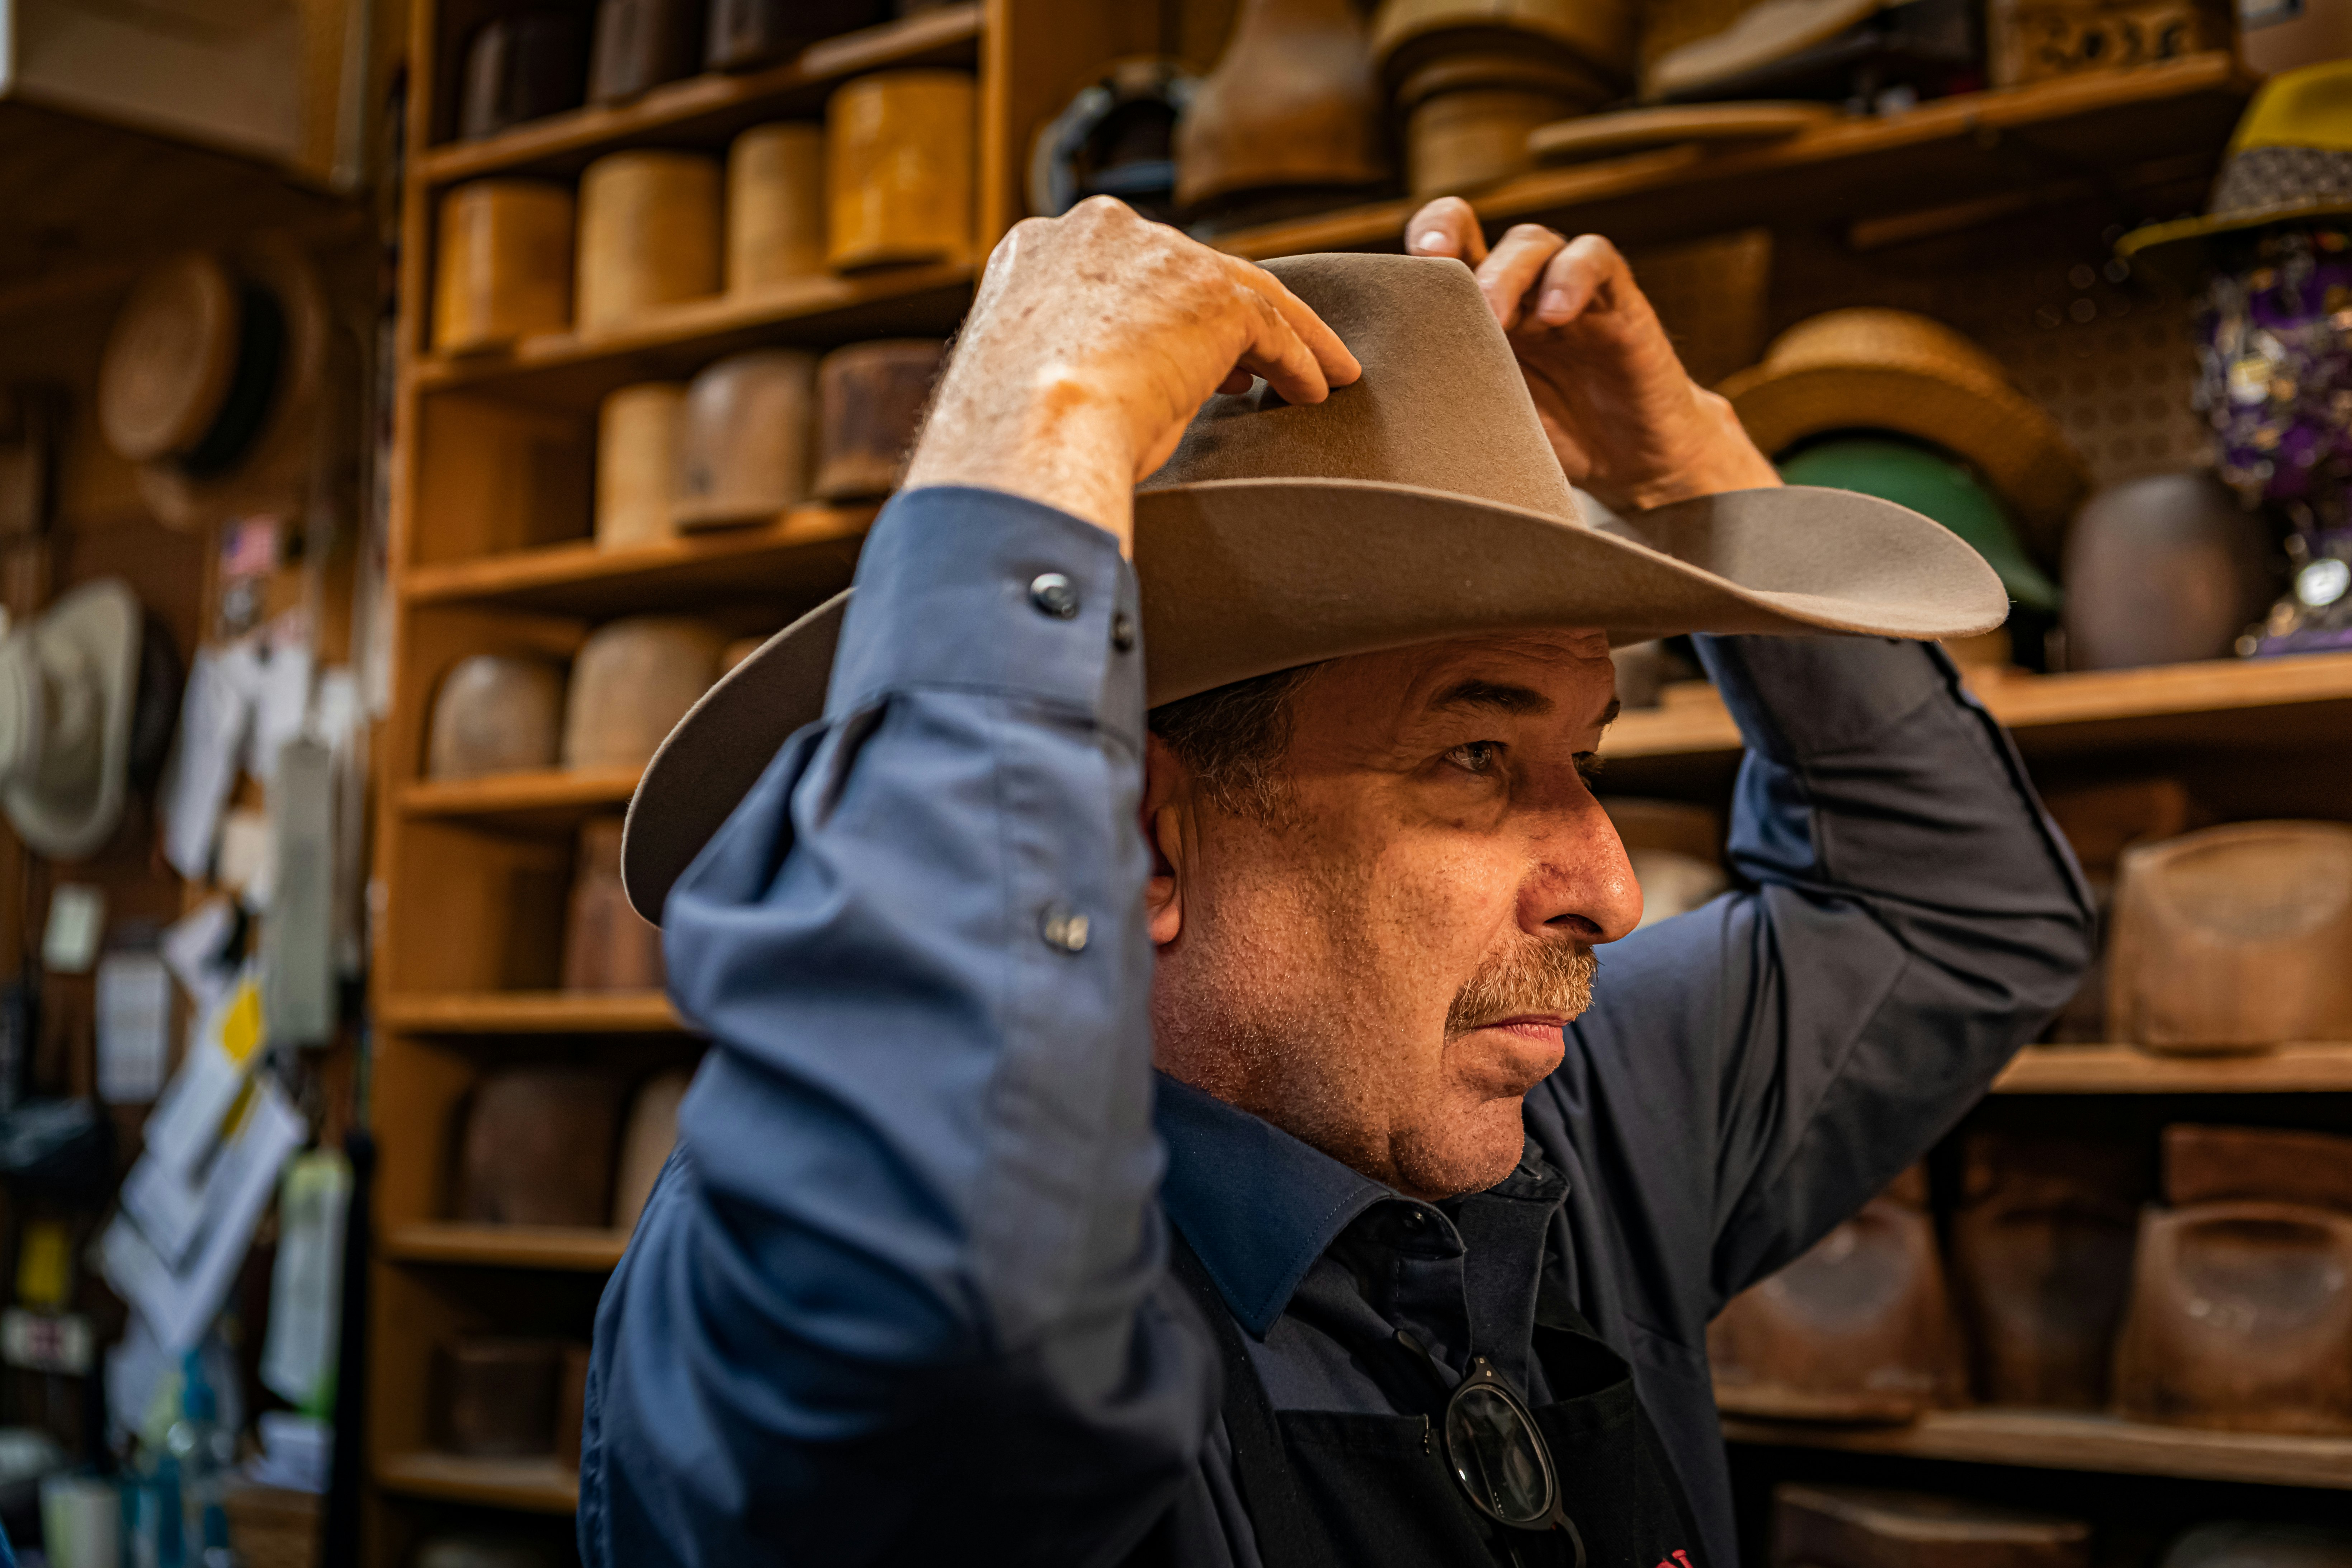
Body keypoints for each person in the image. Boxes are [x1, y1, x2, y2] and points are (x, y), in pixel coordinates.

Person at [577, 195, 2095, 1568]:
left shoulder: (1557, 1112)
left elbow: (1946, 913)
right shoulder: (816, 1276)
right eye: (1476, 760)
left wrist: (1682, 471)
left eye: (1586, 759)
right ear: (1134, 841)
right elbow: (940, 1291)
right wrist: (1032, 436)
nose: (1610, 889)